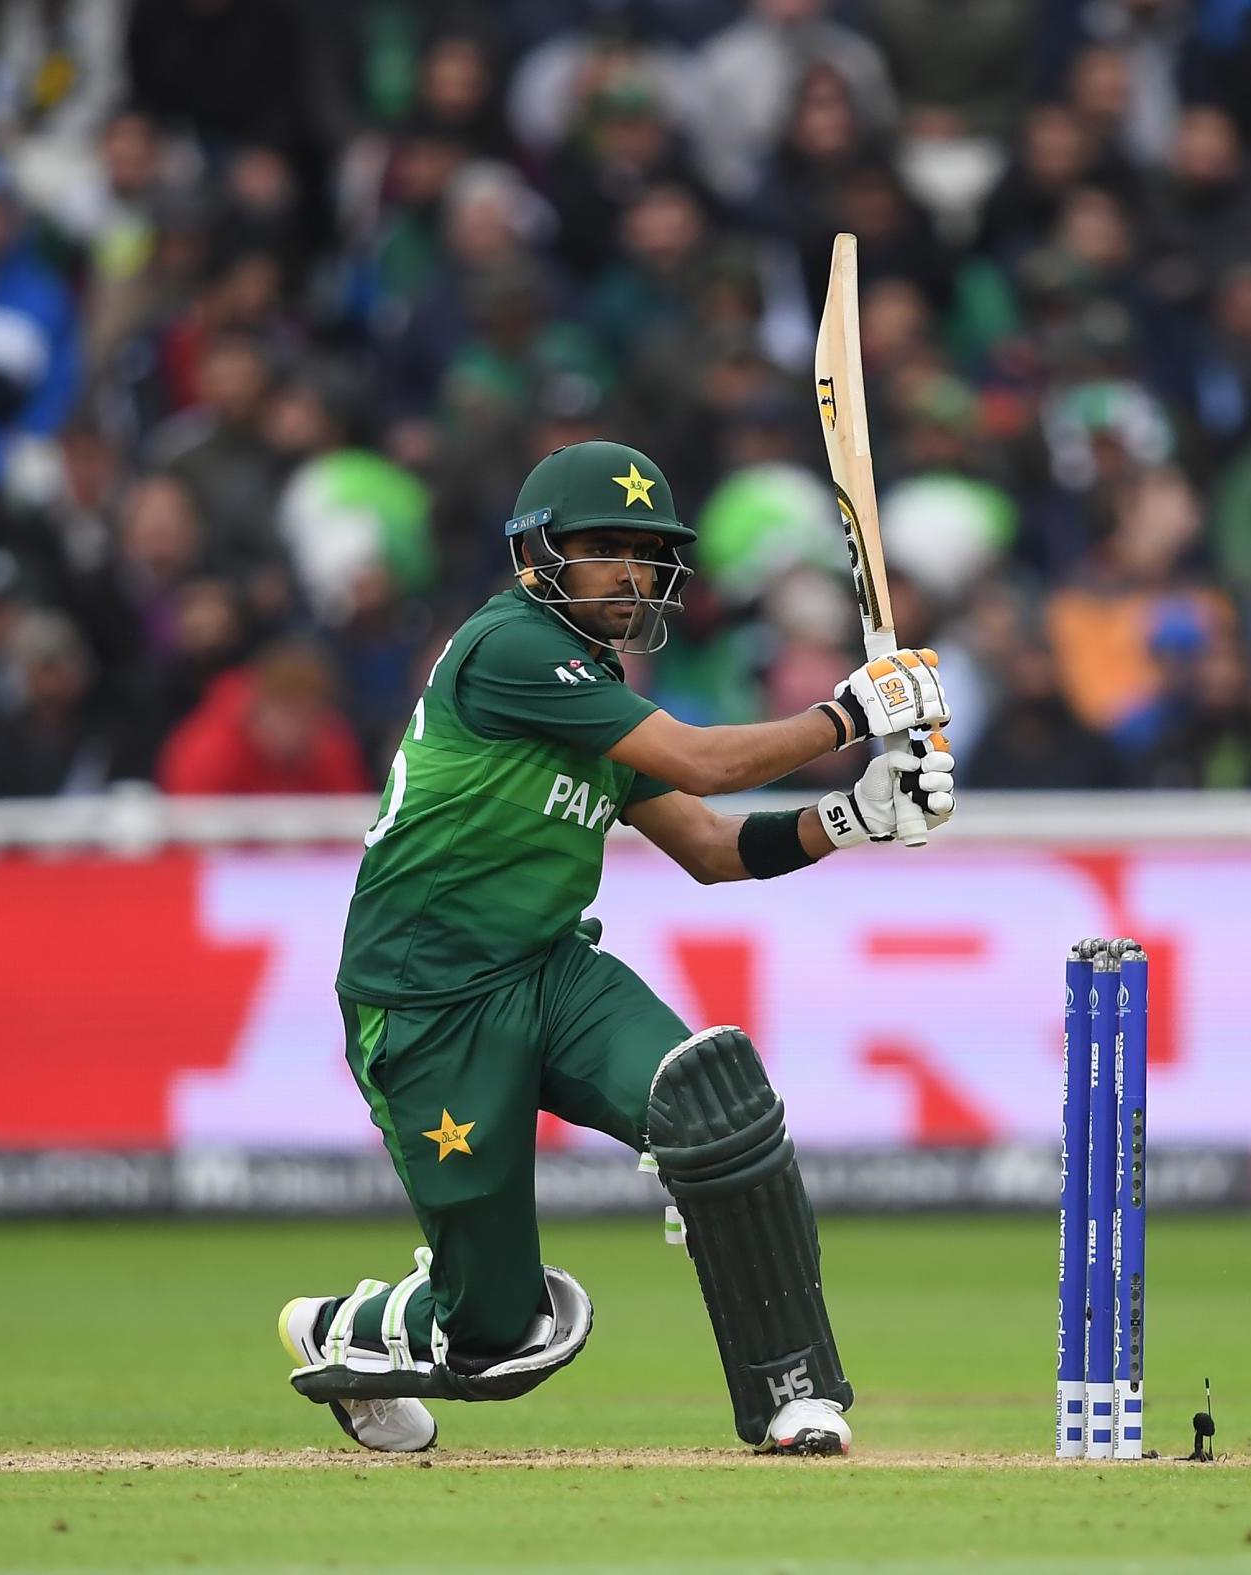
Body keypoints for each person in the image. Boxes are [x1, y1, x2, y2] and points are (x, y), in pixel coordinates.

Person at [276, 440, 955, 1456]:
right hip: (426, 1002)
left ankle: (795, 1393)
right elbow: (698, 759)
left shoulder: (590, 687)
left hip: (548, 973)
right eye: (603, 548)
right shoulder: (506, 649)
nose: (631, 572)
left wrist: (852, 816)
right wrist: (849, 713)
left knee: (713, 1107)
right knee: (501, 1340)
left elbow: (712, 849)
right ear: (537, 556)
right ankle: (357, 1325)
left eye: (646, 551)